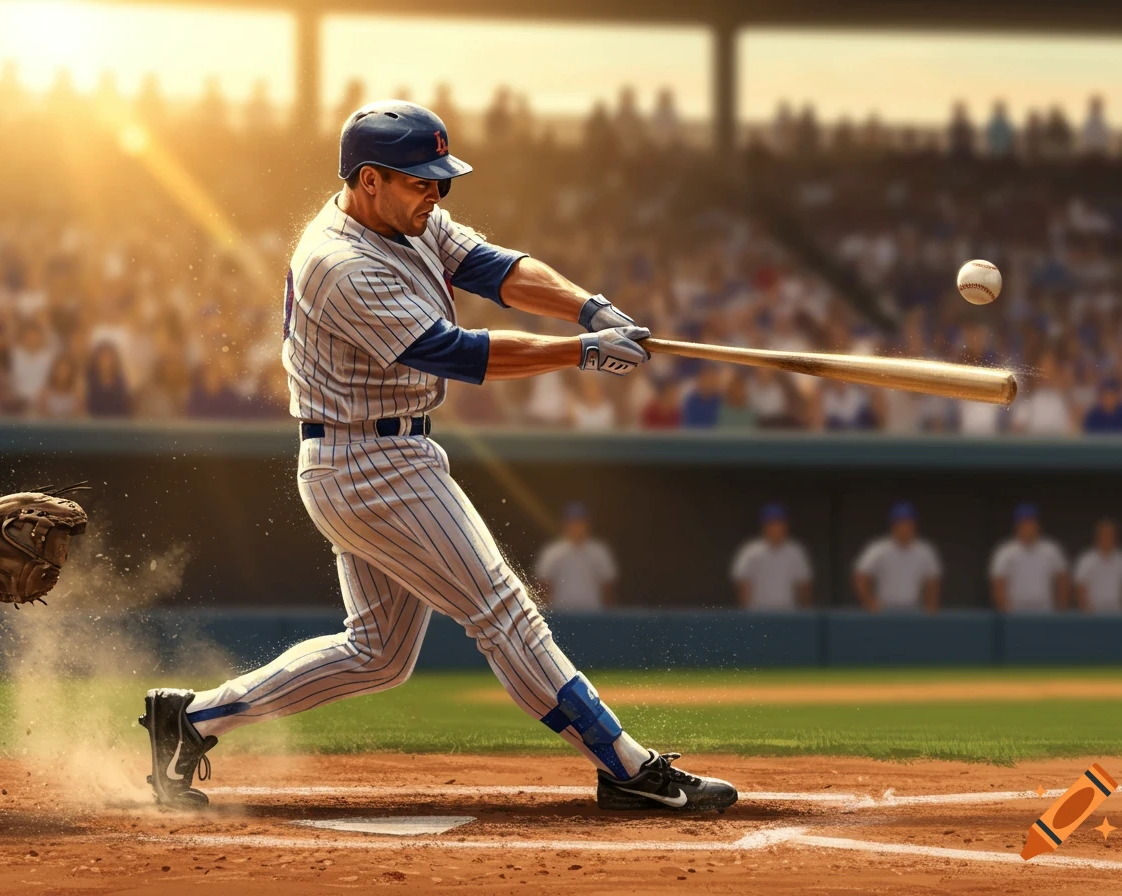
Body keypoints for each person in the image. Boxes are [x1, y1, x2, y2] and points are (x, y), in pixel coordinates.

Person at [139, 100, 736, 813]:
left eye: (440, 180)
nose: (437, 193)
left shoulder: (409, 220)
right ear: (369, 181)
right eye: (421, 180)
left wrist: (588, 308)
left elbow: (494, 268)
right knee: (504, 610)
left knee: (378, 655)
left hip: (377, 455)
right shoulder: (338, 262)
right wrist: (581, 352)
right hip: (368, 465)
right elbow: (455, 353)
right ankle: (626, 767)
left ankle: (191, 720)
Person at [853, 503, 942, 612]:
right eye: (901, 523)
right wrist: (870, 602)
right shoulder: (878, 549)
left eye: (909, 523)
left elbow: (932, 581)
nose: (905, 527)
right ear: (893, 525)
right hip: (884, 609)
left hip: (914, 609)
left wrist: (931, 608)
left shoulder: (925, 551)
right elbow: (860, 576)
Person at [535, 503, 619, 611]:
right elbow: (543, 586)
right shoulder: (552, 552)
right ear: (565, 524)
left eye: (580, 522)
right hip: (561, 613)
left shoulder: (600, 551)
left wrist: (610, 615)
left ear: (587, 524)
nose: (577, 526)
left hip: (593, 613)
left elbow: (607, 587)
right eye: (572, 522)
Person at [730, 504, 812, 611]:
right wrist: (746, 614)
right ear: (764, 526)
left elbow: (804, 584)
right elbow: (742, 582)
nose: (776, 528)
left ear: (786, 526)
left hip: (788, 613)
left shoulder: (795, 552)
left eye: (779, 523)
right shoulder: (750, 551)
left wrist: (804, 612)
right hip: (758, 613)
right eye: (772, 524)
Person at [989, 504, 1069, 612]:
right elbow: (998, 582)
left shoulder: (1052, 550)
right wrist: (1004, 610)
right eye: (1024, 524)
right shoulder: (1005, 552)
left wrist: (1061, 609)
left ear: (1038, 525)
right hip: (1015, 611)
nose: (1028, 527)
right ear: (1017, 526)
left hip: (1045, 611)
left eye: (1031, 523)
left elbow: (1062, 580)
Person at [1074, 519, 1122, 613]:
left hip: (1119, 613)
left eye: (1110, 535)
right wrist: (1086, 609)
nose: (1107, 538)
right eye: (1104, 535)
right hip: (1093, 613)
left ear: (1116, 537)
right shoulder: (1086, 560)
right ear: (1097, 537)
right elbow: (1080, 587)